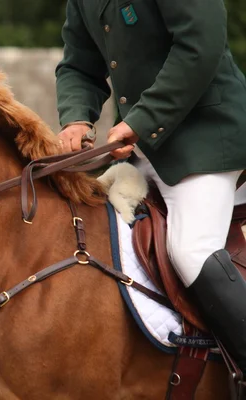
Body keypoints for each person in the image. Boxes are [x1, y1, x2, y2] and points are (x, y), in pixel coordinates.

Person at [55, 0, 246, 373]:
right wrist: (76, 118)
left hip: (207, 140)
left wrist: (142, 120)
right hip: (140, 149)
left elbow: (200, 46)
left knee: (191, 249)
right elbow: (78, 64)